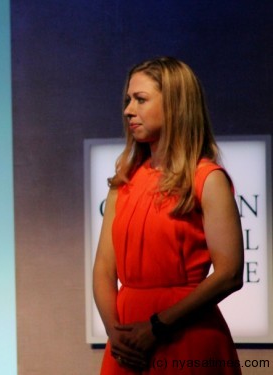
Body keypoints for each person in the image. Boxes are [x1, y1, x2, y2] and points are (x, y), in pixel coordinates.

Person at [93, 57, 244, 374]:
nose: (128, 110)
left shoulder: (207, 179)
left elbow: (229, 274)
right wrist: (114, 333)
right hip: (127, 343)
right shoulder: (125, 181)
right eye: (128, 100)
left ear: (176, 105)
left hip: (185, 335)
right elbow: (104, 268)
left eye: (140, 99)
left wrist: (158, 327)